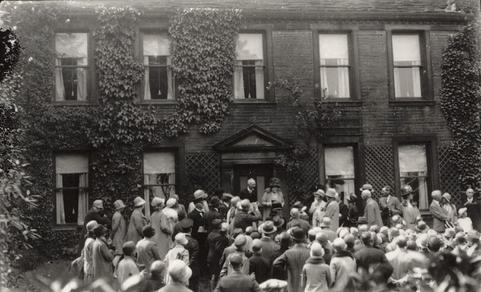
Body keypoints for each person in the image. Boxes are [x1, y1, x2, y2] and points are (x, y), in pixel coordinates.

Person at [273, 227, 310, 292]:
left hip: (291, 282)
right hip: (306, 282)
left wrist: (285, 273)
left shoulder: (288, 252)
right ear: (304, 238)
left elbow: (275, 263)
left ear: (292, 239)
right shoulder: (309, 252)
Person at [179, 218, 201, 292]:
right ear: (191, 229)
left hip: (180, 269)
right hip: (192, 270)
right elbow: (194, 257)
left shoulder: (177, 241)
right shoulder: (194, 242)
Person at [207, 219, 230, 286]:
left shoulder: (210, 234)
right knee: (216, 275)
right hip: (216, 258)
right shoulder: (219, 236)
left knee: (212, 274)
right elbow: (219, 249)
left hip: (210, 255)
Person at [111, 199, 127, 267]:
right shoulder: (118, 215)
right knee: (119, 254)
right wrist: (112, 236)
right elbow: (115, 227)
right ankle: (112, 269)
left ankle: (114, 271)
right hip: (118, 237)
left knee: (119, 254)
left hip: (119, 236)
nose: (123, 208)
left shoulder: (118, 215)